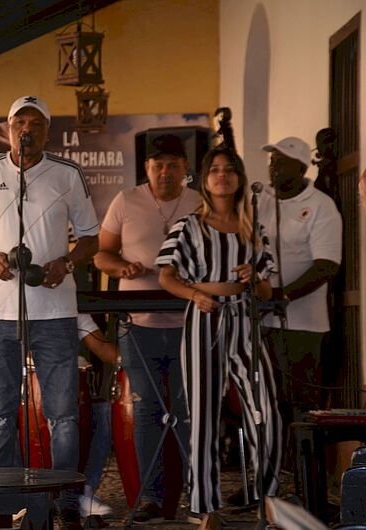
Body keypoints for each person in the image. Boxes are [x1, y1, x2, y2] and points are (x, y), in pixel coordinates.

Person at [0, 95, 99, 528]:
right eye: (19, 122)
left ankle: (65, 502)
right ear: (8, 128)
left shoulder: (67, 174)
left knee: (63, 415)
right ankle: (4, 500)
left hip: (55, 310)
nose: (26, 130)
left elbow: (90, 238)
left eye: (35, 123)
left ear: (47, 132)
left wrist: (66, 263)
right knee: (0, 413)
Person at [157, 147, 281, 529]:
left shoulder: (252, 228)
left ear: (240, 178)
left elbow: (266, 289)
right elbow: (166, 276)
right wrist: (194, 295)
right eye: (214, 169)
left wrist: (254, 278)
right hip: (204, 319)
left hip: (245, 319)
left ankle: (268, 496)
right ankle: (204, 507)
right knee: (204, 416)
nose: (222, 175)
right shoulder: (189, 226)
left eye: (229, 169)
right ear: (204, 179)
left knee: (267, 410)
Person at [93, 133, 200, 523]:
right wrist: (122, 267)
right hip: (138, 325)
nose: (165, 172)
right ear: (147, 169)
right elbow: (102, 255)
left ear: (185, 168)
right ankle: (150, 497)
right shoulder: (126, 200)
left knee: (188, 412)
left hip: (190, 323)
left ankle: (196, 496)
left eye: (173, 165)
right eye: (158, 166)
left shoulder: (199, 202)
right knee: (147, 410)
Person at [258, 137, 342, 435]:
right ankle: (274, 461)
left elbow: (327, 265)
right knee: (267, 403)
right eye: (273, 161)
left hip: (303, 326)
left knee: (300, 406)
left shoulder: (321, 205)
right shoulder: (260, 201)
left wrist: (283, 295)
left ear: (302, 168)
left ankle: (305, 463)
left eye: (282, 161)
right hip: (262, 322)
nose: (274, 167)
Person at [76, 313, 117, 521]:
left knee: (104, 414)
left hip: (76, 382)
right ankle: (23, 496)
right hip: (33, 384)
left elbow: (103, 349)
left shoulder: (74, 310)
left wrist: (134, 362)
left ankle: (86, 492)